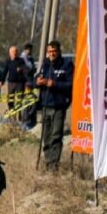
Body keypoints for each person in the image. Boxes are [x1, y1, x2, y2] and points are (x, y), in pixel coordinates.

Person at [35, 39, 74, 170]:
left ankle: (53, 165)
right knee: (46, 136)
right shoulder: (45, 64)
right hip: (46, 104)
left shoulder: (66, 65)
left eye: (54, 51)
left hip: (59, 105)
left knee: (56, 135)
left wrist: (55, 84)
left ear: (59, 51)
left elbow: (70, 85)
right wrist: (38, 82)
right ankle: (48, 162)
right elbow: (37, 79)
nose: (52, 54)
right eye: (49, 51)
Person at [1, 45, 30, 112]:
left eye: (16, 51)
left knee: (20, 98)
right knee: (10, 98)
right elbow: (5, 71)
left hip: (19, 83)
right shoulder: (8, 61)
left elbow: (25, 70)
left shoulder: (21, 60)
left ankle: (19, 112)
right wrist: (1, 81)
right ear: (10, 53)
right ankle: (11, 111)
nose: (15, 53)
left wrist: (21, 69)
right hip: (11, 83)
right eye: (13, 52)